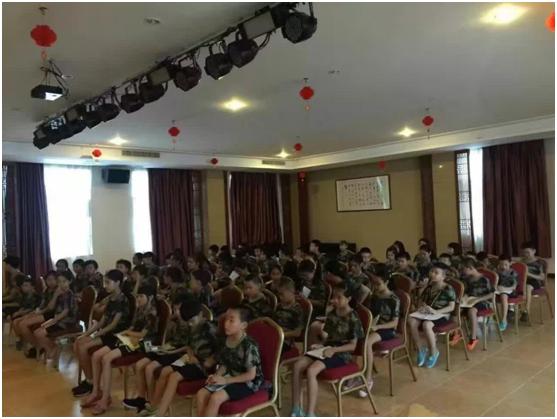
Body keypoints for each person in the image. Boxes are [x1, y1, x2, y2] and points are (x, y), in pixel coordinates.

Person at [80, 285, 158, 415]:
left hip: (142, 345)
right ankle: (96, 392)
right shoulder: (140, 309)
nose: (138, 299)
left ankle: (105, 399)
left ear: (149, 297)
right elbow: (132, 326)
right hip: (129, 339)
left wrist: (126, 332)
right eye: (137, 296)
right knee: (96, 355)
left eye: (141, 296)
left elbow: (142, 335)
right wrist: (124, 333)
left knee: (106, 358)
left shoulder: (152, 313)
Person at [290, 283, 364, 417]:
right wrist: (321, 345)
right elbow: (328, 338)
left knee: (312, 371)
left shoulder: (353, 318)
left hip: (342, 354)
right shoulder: (332, 313)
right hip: (327, 349)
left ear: (348, 299)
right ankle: (296, 408)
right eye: (334, 297)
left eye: (339, 297)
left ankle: (310, 413)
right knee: (297, 366)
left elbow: (353, 346)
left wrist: (334, 350)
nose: (334, 300)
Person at [142, 301, 219, 416]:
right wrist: (187, 354)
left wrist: (207, 361)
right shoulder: (193, 326)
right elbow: (189, 346)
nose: (190, 324)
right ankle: (154, 406)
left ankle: (160, 413)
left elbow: (220, 351)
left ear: (201, 315)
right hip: (190, 359)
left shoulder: (211, 330)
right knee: (165, 371)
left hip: (202, 367)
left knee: (174, 377)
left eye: (192, 321)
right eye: (188, 322)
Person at [123, 296, 192, 414]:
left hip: (177, 353)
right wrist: (163, 345)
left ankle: (151, 403)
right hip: (167, 349)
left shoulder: (190, 325)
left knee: (149, 368)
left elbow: (186, 347)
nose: (177, 313)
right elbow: (166, 340)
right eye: (175, 309)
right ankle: (141, 399)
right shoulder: (174, 322)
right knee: (139, 364)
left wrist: (168, 350)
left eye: (179, 310)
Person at [71, 269, 131, 397]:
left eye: (108, 282)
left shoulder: (122, 300)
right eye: (105, 282)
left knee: (83, 347)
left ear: (117, 283)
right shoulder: (110, 299)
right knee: (78, 342)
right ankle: (90, 379)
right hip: (106, 333)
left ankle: (90, 382)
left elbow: (113, 325)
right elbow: (102, 321)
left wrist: (94, 335)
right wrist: (87, 333)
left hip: (116, 336)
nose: (105, 285)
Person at [195, 307, 264, 417]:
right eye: (226, 319)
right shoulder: (225, 340)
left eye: (231, 320)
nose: (226, 324)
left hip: (247, 382)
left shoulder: (249, 346)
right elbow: (225, 364)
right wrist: (216, 376)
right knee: (201, 394)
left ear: (243, 325)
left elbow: (251, 375)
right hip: (230, 376)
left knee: (216, 398)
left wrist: (226, 380)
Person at [408, 264, 456, 369]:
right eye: (432, 271)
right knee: (411, 320)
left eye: (436, 273)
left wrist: (436, 311)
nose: (432, 274)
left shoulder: (448, 288)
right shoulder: (429, 287)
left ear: (443, 276)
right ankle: (420, 349)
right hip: (428, 313)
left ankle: (433, 352)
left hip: (442, 314)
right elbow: (422, 301)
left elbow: (451, 307)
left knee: (427, 324)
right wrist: (422, 307)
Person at [361, 273, 400, 397]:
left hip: (386, 329)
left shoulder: (394, 299)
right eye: (374, 284)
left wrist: (377, 327)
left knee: (367, 342)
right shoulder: (375, 296)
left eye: (378, 284)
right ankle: (356, 374)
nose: (376, 287)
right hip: (373, 326)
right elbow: (370, 314)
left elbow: (394, 323)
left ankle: (368, 378)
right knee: (354, 337)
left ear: (386, 282)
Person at [33, 271, 78, 367]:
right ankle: (52, 349)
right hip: (57, 320)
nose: (61, 284)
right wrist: (56, 295)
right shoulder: (59, 293)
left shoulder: (69, 294)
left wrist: (53, 321)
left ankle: (52, 351)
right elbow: (50, 307)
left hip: (66, 323)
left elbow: (65, 312)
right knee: (37, 332)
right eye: (59, 281)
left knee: (39, 333)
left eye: (64, 281)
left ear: (69, 281)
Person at [13, 270, 58, 356]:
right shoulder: (47, 291)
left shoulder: (58, 291)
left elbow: (50, 308)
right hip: (43, 312)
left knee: (23, 324)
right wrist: (34, 312)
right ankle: (36, 345)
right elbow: (42, 305)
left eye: (53, 279)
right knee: (19, 321)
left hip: (51, 314)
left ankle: (38, 346)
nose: (51, 282)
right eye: (48, 280)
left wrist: (39, 312)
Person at [459, 258, 494, 351]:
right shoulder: (468, 279)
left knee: (472, 311)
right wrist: (464, 298)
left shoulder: (484, 279)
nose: (463, 271)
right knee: (457, 309)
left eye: (464, 269)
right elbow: (467, 292)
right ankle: (458, 333)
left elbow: (491, 294)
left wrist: (478, 299)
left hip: (483, 301)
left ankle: (473, 337)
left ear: (470, 268)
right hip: (470, 301)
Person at [272, 277, 304, 353]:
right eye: (278, 294)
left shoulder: (297, 310)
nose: (280, 297)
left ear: (291, 292)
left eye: (282, 294)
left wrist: (280, 335)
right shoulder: (279, 306)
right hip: (274, 335)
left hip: (285, 341)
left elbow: (297, 333)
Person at [520, 241, 546, 323]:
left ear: (534, 251)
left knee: (528, 286)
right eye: (524, 252)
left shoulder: (539, 263)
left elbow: (542, 277)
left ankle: (526, 311)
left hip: (535, 281)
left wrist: (529, 274)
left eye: (527, 252)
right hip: (524, 281)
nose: (525, 254)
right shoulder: (522, 261)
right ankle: (511, 309)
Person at [496, 255, 518, 331]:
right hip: (500, 289)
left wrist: (505, 289)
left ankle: (504, 319)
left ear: (510, 263)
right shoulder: (497, 271)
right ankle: (494, 316)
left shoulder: (513, 272)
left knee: (503, 296)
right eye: (501, 264)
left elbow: (514, 286)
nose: (503, 266)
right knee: (491, 294)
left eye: (505, 264)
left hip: (510, 290)